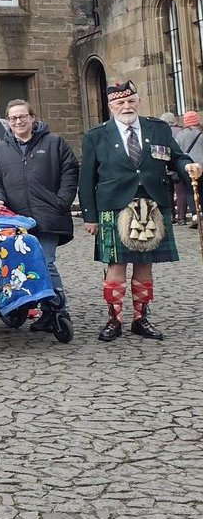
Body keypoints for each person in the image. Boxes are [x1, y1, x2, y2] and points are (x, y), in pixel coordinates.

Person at [80, 81, 201, 342]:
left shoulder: (157, 129)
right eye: (120, 103)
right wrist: (90, 216)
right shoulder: (96, 135)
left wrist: (189, 166)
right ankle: (114, 320)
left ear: (138, 101)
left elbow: (176, 157)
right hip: (114, 205)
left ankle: (140, 318)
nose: (127, 106)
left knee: (145, 264)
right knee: (116, 265)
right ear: (111, 106)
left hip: (153, 204)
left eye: (131, 101)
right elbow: (86, 178)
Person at [0, 100, 80, 330]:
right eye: (13, 118)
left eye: (22, 116)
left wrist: (62, 201)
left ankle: (56, 310)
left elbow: (70, 170)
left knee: (45, 262)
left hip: (48, 215)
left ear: (32, 117)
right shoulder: (1, 149)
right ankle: (22, 304)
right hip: (14, 219)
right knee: (17, 264)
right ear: (8, 121)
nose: (18, 121)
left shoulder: (54, 142)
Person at [174, 110, 203, 227]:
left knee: (190, 191)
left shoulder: (180, 135)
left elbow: (177, 151)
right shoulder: (201, 133)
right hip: (201, 165)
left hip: (187, 167)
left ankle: (196, 215)